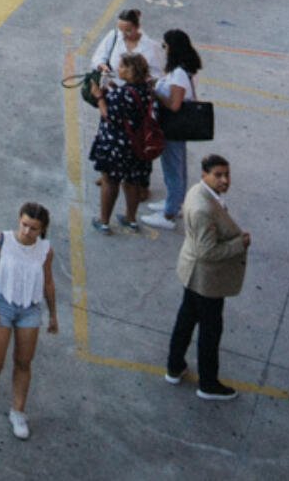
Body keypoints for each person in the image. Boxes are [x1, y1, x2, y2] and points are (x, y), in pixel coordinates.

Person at [0, 201, 63, 439]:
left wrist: (53, 314)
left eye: (33, 228)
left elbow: (48, 282)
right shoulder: (1, 240)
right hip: (2, 303)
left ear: (42, 229)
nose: (27, 232)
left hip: (30, 308)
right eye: (25, 225)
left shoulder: (46, 250)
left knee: (24, 362)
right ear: (19, 219)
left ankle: (18, 411)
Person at [169, 154, 249, 402]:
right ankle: (208, 383)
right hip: (207, 279)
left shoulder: (198, 192)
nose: (225, 180)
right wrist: (240, 244)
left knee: (186, 319)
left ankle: (174, 366)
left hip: (192, 272)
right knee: (210, 331)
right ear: (205, 175)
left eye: (227, 175)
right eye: (218, 175)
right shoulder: (204, 208)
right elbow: (208, 252)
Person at [91, 53, 159, 233]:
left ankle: (104, 221)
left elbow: (109, 115)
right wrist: (113, 89)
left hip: (117, 145)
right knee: (132, 181)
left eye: (121, 66)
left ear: (130, 71)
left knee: (110, 181)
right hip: (137, 146)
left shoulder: (122, 94)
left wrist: (99, 97)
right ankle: (131, 219)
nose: (118, 69)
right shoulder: (146, 90)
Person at [155, 29, 204, 223]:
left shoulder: (179, 74)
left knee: (172, 168)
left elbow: (174, 105)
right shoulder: (184, 70)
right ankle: (174, 201)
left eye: (164, 45)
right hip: (178, 127)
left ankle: (169, 212)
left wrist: (156, 93)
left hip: (172, 126)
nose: (163, 49)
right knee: (177, 166)